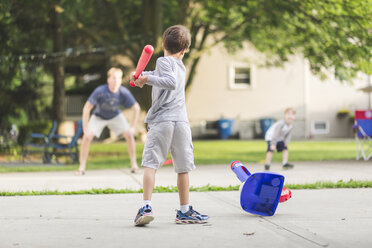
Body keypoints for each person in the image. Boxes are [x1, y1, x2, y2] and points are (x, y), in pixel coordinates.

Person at [131, 25, 209, 226]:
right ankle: (184, 211)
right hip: (181, 122)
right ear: (184, 50)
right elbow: (162, 74)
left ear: (163, 44)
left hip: (163, 121)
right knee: (183, 168)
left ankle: (146, 206)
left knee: (151, 164)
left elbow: (168, 80)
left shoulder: (163, 61)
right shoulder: (179, 65)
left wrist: (146, 79)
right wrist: (141, 77)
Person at [77, 67, 141, 175]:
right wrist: (85, 129)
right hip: (99, 116)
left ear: (121, 80)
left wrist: (132, 127)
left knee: (129, 135)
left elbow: (136, 108)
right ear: (108, 80)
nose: (116, 81)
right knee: (86, 137)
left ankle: (134, 165)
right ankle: (81, 167)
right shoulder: (100, 91)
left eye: (118, 78)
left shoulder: (123, 92)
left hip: (115, 116)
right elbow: (86, 108)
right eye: (113, 78)